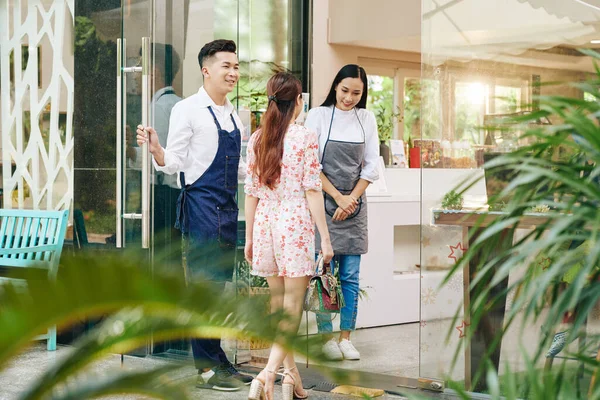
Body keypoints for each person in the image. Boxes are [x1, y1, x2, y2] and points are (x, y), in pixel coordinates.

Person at [136, 39, 253, 392]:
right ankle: (205, 369)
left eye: (236, 67)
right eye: (226, 66)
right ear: (206, 70)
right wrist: (157, 150)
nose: (233, 73)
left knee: (217, 292)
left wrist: (266, 170)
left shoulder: (233, 114)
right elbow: (175, 162)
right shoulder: (187, 109)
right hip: (201, 208)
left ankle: (217, 360)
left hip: (228, 209)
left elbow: (239, 169)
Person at [244, 72, 333, 400]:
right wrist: (325, 238)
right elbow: (313, 190)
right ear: (297, 101)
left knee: (280, 305)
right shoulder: (304, 137)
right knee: (292, 307)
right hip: (294, 224)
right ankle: (266, 375)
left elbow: (251, 193)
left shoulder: (257, 139)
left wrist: (249, 238)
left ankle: (290, 379)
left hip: (266, 224)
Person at [304, 64, 380, 361]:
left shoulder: (367, 119)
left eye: (356, 93)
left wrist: (351, 200)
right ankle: (326, 338)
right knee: (324, 274)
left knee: (350, 276)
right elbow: (311, 165)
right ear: (335, 86)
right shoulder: (318, 116)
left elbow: (372, 165)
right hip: (324, 205)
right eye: (345, 90)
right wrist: (337, 196)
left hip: (355, 208)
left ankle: (346, 337)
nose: (349, 98)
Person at [127, 43, 182, 267]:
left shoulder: (158, 108)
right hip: (172, 195)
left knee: (160, 261)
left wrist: (129, 151)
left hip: (162, 195)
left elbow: (158, 159)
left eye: (140, 67)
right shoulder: (177, 104)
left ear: (155, 73)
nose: (135, 75)